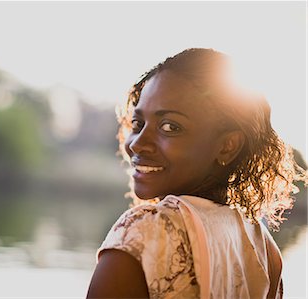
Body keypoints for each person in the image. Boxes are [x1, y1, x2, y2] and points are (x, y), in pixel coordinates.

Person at [86, 48, 307, 299]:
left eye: (170, 126)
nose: (137, 143)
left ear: (227, 145)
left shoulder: (141, 236)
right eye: (138, 124)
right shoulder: (264, 250)